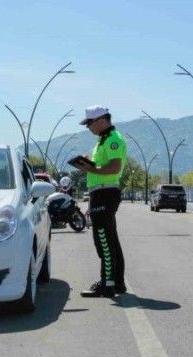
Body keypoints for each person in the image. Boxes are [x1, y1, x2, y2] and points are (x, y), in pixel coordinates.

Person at [71, 105, 127, 298]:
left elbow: (114, 167)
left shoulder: (113, 140)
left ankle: (107, 284)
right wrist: (87, 163)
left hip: (106, 193)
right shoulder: (101, 142)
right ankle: (117, 282)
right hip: (100, 193)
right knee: (110, 239)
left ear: (101, 120)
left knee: (103, 240)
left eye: (89, 123)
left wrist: (90, 169)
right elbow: (101, 164)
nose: (88, 127)